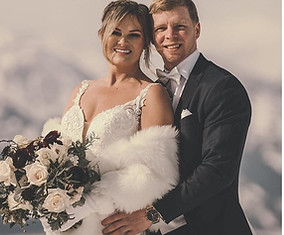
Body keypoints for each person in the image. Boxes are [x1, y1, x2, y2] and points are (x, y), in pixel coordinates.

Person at [101, 0, 253, 234]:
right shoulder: (149, 90)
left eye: (179, 27)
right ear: (152, 37)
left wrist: (153, 213)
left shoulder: (222, 88)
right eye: (161, 29)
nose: (170, 36)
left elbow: (217, 170)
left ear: (197, 29)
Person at [40, 0, 180, 234]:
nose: (123, 42)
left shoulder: (151, 94)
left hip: (114, 228)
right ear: (101, 34)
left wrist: (92, 202)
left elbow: (157, 175)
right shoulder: (81, 90)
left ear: (145, 43)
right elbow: (56, 155)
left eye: (134, 35)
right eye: (116, 32)